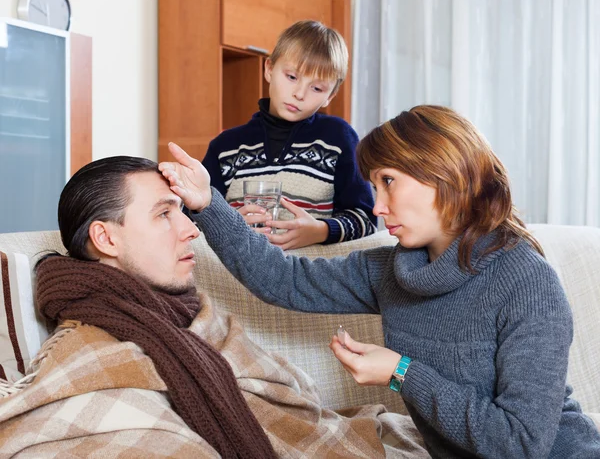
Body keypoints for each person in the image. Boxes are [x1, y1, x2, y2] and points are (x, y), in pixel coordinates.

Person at [160, 105, 600, 458]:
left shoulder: (528, 283)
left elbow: (521, 444)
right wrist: (209, 203)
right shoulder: (393, 270)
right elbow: (281, 279)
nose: (377, 207)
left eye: (389, 182)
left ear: (446, 174)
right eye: (374, 187)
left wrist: (402, 372)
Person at [2, 156, 428, 457]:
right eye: (164, 214)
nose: (191, 229)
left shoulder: (196, 317)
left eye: (183, 212)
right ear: (107, 239)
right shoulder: (86, 351)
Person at [202, 20, 376, 250]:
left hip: (308, 274)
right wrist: (227, 224)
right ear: (269, 69)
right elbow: (194, 219)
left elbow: (366, 220)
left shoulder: (339, 138)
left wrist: (321, 231)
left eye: (317, 88)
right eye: (292, 77)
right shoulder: (224, 147)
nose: (299, 94)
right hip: (235, 274)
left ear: (330, 97)